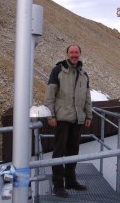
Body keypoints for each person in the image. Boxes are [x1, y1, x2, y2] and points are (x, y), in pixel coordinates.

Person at [44, 44, 93, 198]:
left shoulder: (84, 74)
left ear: (80, 54)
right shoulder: (58, 70)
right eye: (71, 52)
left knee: (73, 151)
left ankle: (71, 181)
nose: (74, 54)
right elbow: (50, 95)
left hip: (78, 119)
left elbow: (87, 97)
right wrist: (50, 115)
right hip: (62, 118)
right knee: (59, 151)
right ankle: (58, 185)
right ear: (67, 54)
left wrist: (89, 115)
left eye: (76, 52)